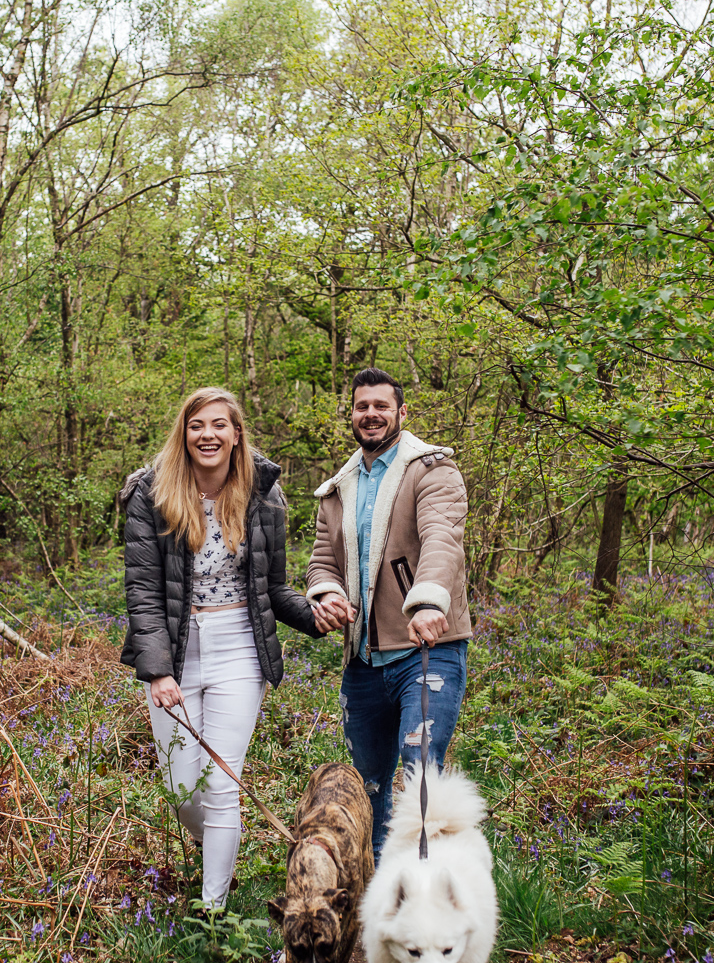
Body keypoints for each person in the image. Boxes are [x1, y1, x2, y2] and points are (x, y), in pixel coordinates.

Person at [120, 386, 322, 910]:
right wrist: (158, 670)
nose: (207, 435)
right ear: (184, 434)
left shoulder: (264, 495)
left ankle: (213, 914)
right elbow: (142, 592)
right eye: (196, 425)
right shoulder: (151, 492)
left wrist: (316, 618)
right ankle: (214, 842)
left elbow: (272, 588)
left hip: (238, 648)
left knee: (223, 784)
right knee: (184, 789)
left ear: (236, 435)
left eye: (218, 425)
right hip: (176, 650)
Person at [307, 367, 472, 858]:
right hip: (362, 664)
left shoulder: (433, 469)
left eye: (381, 406)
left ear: (401, 412)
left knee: (420, 772)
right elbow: (322, 561)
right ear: (352, 415)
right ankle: (378, 899)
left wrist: (426, 601)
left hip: (426, 651)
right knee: (370, 787)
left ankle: (428, 891)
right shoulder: (337, 489)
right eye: (362, 407)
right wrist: (327, 594)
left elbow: (443, 538)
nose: (371, 415)